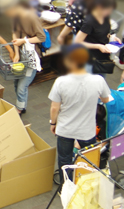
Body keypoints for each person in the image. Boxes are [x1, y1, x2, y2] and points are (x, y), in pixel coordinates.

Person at [48, 45, 112, 182]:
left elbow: (54, 108)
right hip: (87, 130)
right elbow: (106, 99)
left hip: (65, 129)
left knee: (64, 159)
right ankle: (87, 183)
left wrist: (53, 123)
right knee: (90, 158)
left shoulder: (60, 82)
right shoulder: (98, 80)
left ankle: (66, 185)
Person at [74, 0, 120, 75]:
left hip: (102, 56)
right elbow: (77, 42)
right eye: (108, 10)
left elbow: (102, 33)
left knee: (101, 80)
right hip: (90, 58)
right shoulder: (90, 22)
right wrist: (98, 46)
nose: (109, 12)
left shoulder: (105, 17)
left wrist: (112, 38)